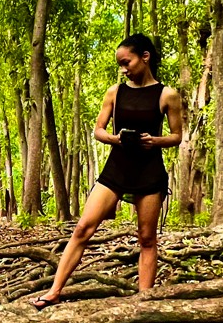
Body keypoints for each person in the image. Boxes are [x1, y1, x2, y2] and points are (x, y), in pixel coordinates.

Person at [32, 33, 183, 308]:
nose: (124, 70)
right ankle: (54, 291)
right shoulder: (115, 92)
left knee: (147, 238)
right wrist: (116, 138)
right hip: (117, 167)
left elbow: (176, 136)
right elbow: (98, 130)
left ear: (145, 57)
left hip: (149, 172)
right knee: (82, 228)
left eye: (127, 63)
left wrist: (154, 141)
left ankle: (142, 303)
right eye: (121, 66)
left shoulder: (167, 95)